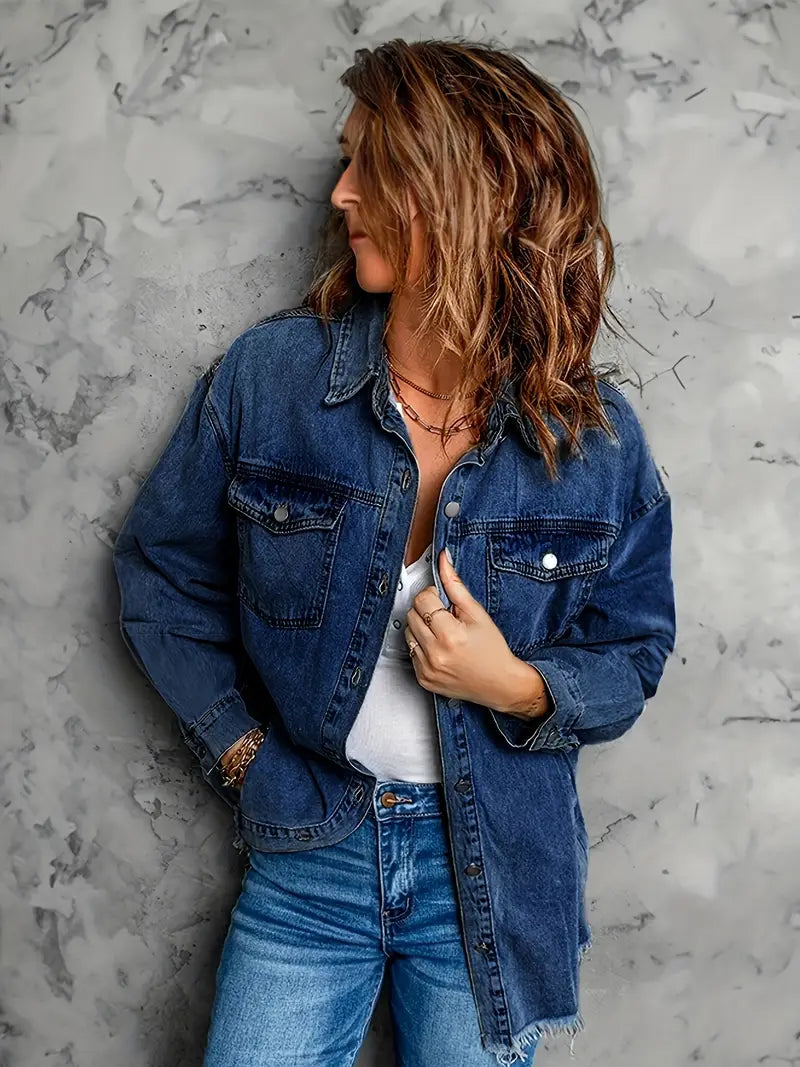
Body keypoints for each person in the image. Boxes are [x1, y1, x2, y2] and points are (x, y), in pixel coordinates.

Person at [112, 38, 676, 1067]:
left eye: (370, 166)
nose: (339, 195)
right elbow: (162, 574)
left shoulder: (594, 443)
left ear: (459, 197)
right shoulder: (270, 380)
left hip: (494, 872)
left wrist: (515, 686)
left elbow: (632, 650)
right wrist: (242, 753)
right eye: (344, 161)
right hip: (308, 853)